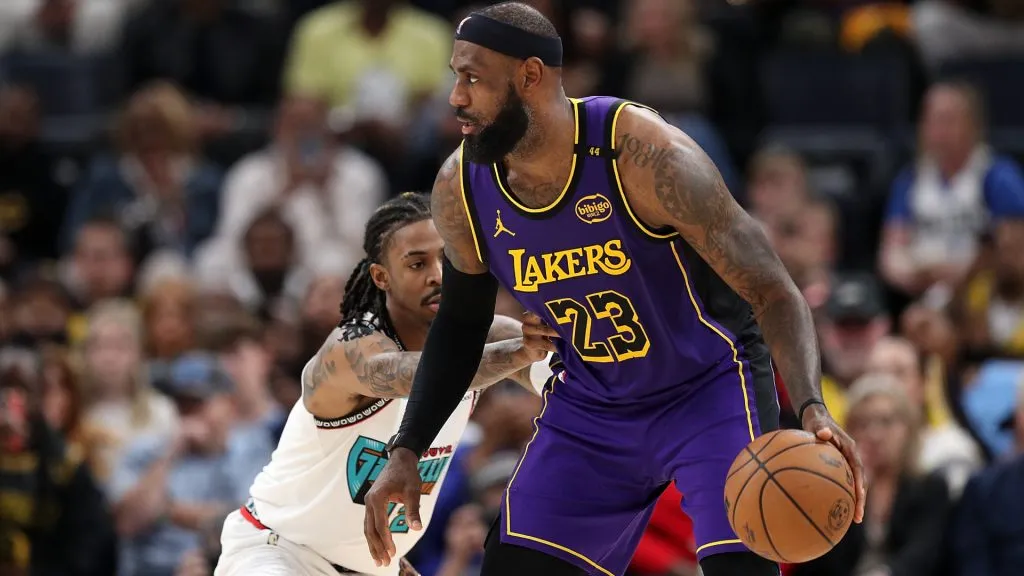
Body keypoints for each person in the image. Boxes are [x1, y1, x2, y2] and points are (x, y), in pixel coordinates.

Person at [363, 4, 866, 576]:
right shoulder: (462, 187)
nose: (455, 96)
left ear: (530, 76)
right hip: (593, 401)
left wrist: (811, 405)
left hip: (707, 389)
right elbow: (459, 323)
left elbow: (773, 290)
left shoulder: (645, 156)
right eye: (456, 76)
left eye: (472, 77)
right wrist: (408, 447)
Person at [214, 192, 557, 576]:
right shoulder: (348, 349)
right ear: (382, 277)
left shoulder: (490, 336)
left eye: (447, 258)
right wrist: (519, 353)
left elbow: (564, 379)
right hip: (280, 553)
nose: (437, 275)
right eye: (417, 263)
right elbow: (422, 374)